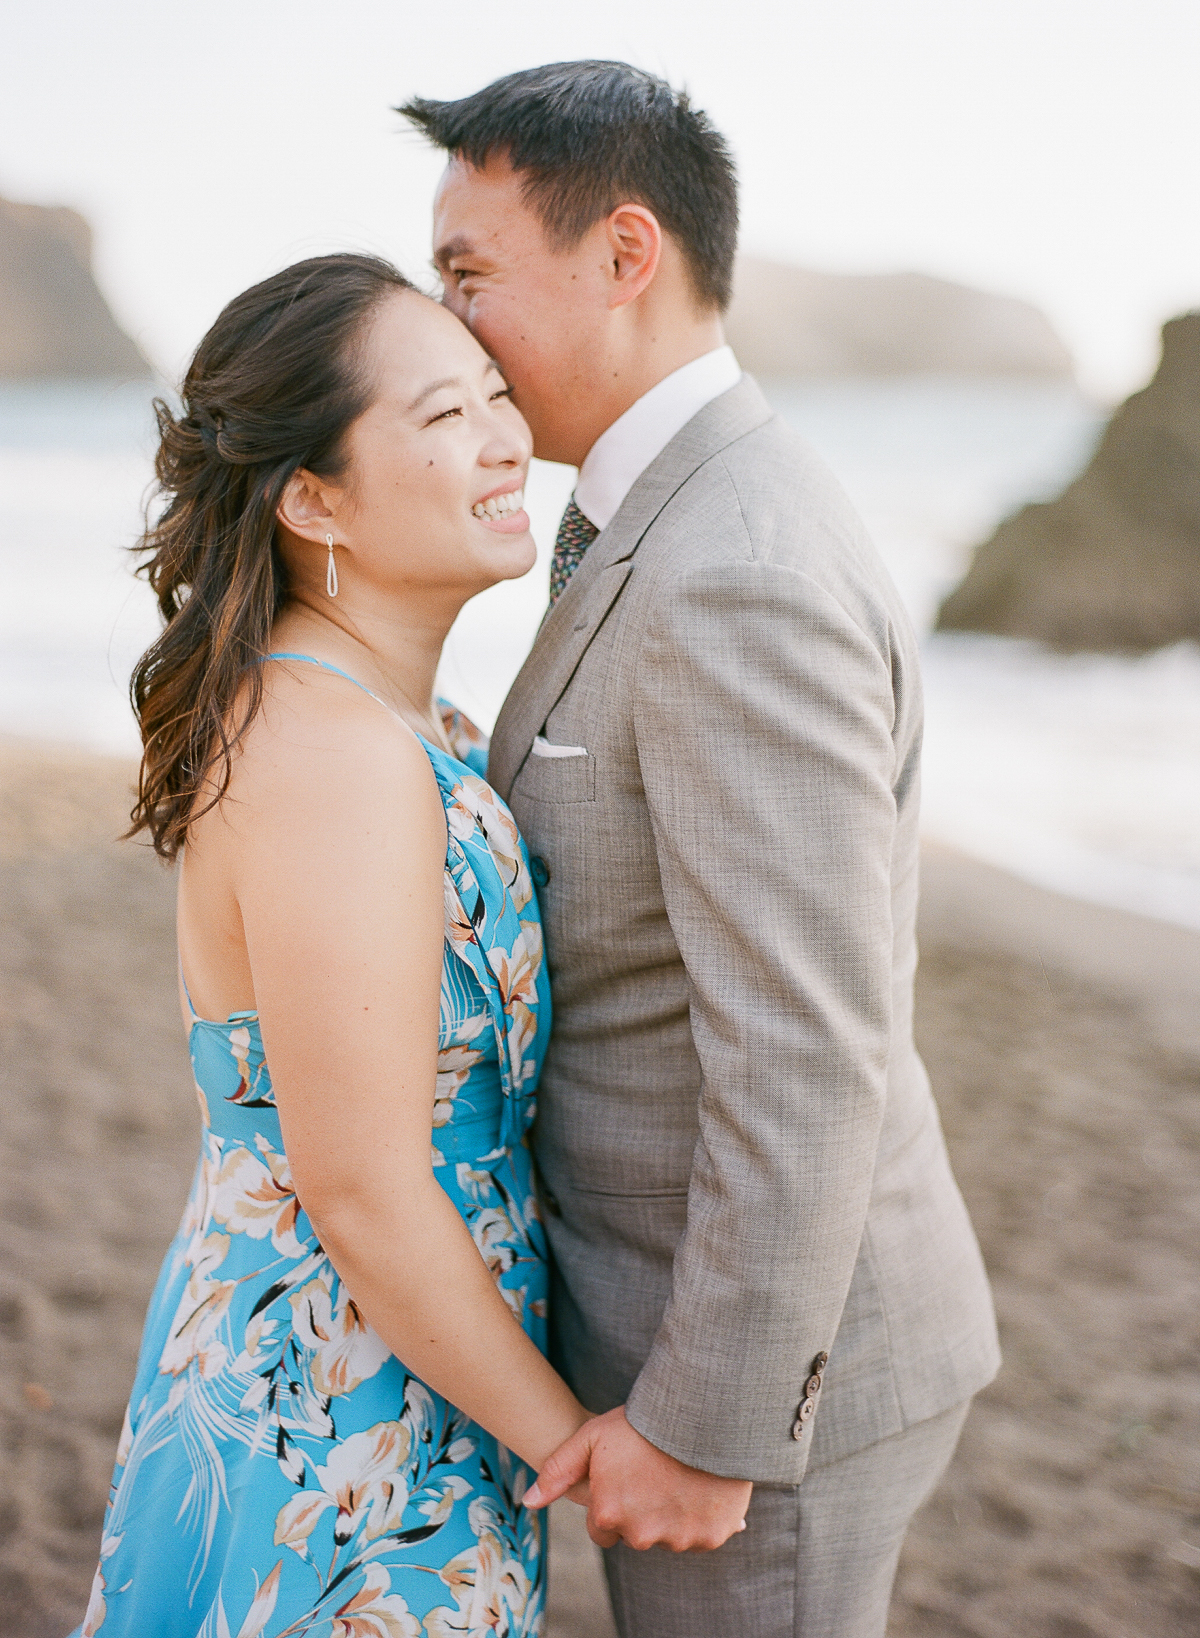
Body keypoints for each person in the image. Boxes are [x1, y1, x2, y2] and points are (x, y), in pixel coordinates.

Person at [401, 61, 1002, 1638]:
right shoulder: (664, 510)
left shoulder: (735, 565)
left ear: (625, 254)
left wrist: (701, 1427)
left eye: (469, 276)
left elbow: (806, 1048)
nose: (444, 325)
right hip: (691, 1333)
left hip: (766, 1406)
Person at [72, 252, 662, 1638]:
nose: (507, 437)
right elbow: (360, 1184)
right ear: (312, 496)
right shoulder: (333, 750)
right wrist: (568, 1441)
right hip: (338, 1408)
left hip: (404, 1373)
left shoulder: (397, 724)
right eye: (445, 415)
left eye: (499, 395)